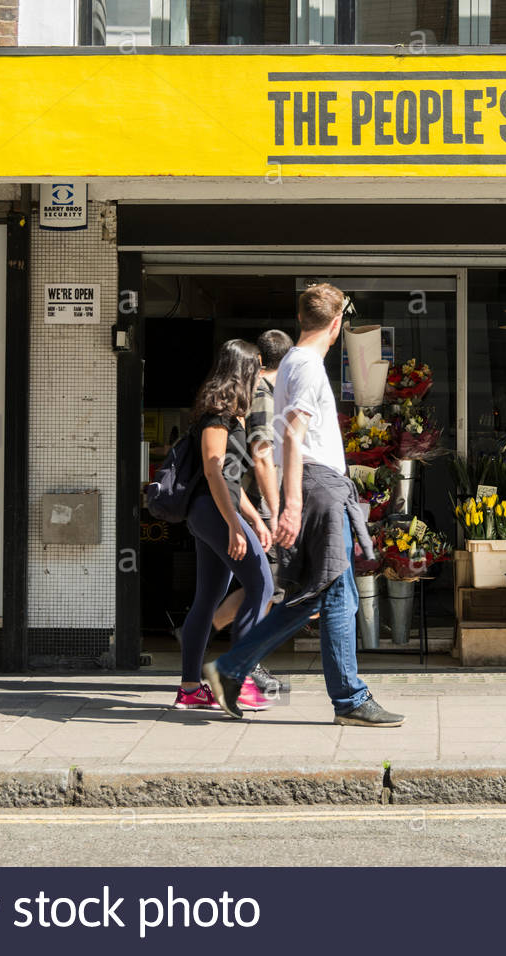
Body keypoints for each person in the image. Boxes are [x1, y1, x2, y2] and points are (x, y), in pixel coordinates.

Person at [204, 283, 405, 727]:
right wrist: (291, 506)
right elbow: (292, 435)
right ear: (336, 326)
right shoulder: (310, 367)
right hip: (321, 487)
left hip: (317, 485)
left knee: (319, 596)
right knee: (337, 596)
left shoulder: (293, 361)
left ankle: (232, 669)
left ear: (302, 321)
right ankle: (349, 698)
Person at [172, 339, 276, 712]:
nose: (261, 374)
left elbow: (230, 481)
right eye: (258, 367)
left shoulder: (230, 412)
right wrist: (234, 524)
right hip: (213, 513)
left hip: (216, 511)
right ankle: (239, 678)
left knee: (207, 598)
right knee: (261, 584)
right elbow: (214, 470)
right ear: (246, 369)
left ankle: (189, 689)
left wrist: (251, 518)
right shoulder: (217, 412)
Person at [211, 329, 293, 696]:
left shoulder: (261, 390)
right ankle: (246, 664)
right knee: (264, 585)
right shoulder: (261, 391)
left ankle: (200, 631)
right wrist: (274, 510)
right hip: (257, 502)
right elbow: (262, 455)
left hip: (250, 502)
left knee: (263, 585)